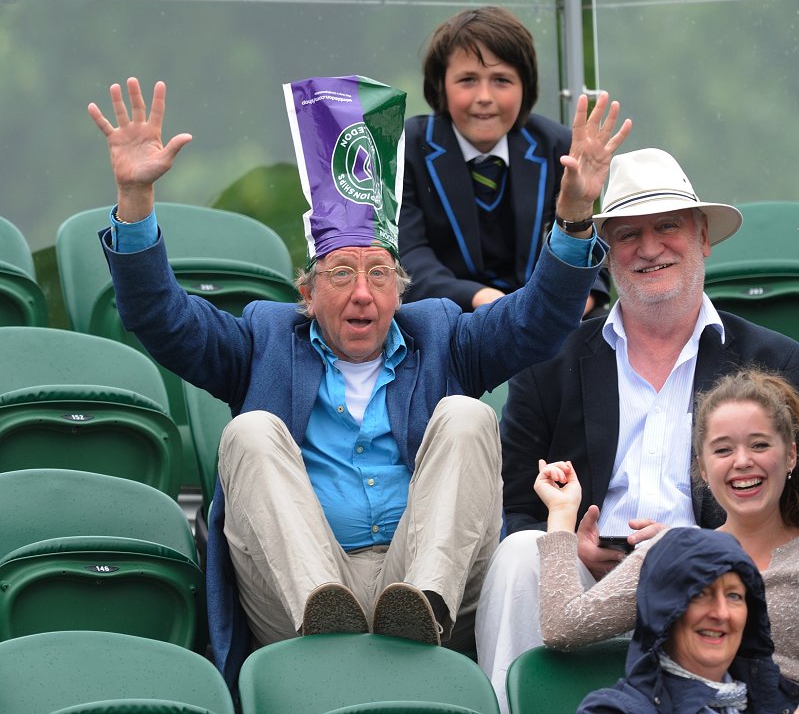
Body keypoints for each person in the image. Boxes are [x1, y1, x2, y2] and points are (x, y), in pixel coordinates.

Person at [87, 75, 630, 689]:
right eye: (341, 272)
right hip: (298, 598)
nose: (363, 293)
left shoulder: (442, 335)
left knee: (467, 416)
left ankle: (415, 614)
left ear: (402, 290)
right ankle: (329, 627)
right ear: (308, 292)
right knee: (251, 433)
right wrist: (134, 200)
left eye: (379, 273)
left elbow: (538, 321)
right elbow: (160, 317)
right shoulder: (263, 340)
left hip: (432, 587)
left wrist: (577, 213)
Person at [475, 148, 799, 712]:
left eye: (667, 227)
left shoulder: (779, 363)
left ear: (703, 237)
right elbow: (513, 504)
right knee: (520, 553)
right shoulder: (548, 362)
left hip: (720, 581)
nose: (649, 249)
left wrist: (701, 548)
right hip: (586, 576)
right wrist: (567, 541)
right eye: (628, 235)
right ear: (606, 256)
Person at [489, 368, 799, 713]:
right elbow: (563, 624)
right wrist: (563, 513)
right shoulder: (676, 554)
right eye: (723, 450)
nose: (743, 461)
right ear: (701, 465)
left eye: (759, 445)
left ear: (790, 455)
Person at [399, 5, 609, 316]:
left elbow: (593, 264)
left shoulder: (560, 148)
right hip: (443, 322)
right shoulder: (408, 147)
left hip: (541, 319)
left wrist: (563, 310)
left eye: (501, 80)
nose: (485, 96)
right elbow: (407, 255)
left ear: (525, 87)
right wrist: (482, 298)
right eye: (468, 80)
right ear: (440, 85)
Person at [577, 526, 799, 713]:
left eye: (734, 596)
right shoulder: (614, 710)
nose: (721, 613)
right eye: (700, 594)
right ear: (662, 607)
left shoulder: (784, 703)